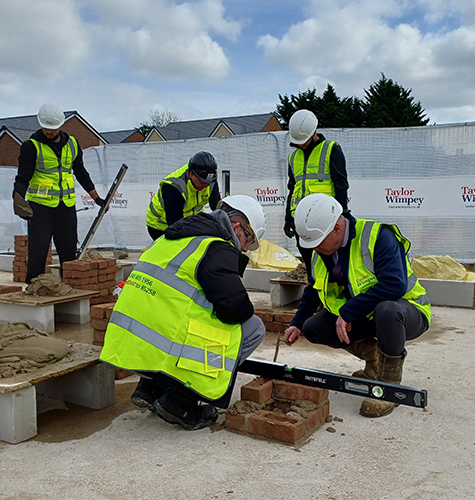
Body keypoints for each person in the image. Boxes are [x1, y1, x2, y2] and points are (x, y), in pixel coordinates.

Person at [100, 195, 267, 430]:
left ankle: (148, 388)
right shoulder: (216, 246)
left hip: (132, 343)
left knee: (183, 311)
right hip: (159, 340)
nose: (245, 248)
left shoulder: (175, 236)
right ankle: (180, 401)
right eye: (247, 240)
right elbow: (235, 310)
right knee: (253, 328)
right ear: (237, 226)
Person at [282, 194, 431, 418]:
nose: (315, 248)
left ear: (337, 228)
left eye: (318, 241)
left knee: (387, 309)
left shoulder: (378, 236)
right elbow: (314, 288)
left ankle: (389, 386)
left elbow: (395, 284)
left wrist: (348, 312)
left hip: (406, 313)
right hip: (366, 316)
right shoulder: (320, 251)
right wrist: (297, 323)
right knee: (314, 327)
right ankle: (374, 363)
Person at [13, 102, 107, 284]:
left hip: (66, 206)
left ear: (61, 125)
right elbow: (23, 177)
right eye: (46, 128)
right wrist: (17, 199)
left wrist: (96, 198)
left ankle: (69, 286)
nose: (49, 132)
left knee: (68, 250)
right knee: (38, 249)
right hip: (40, 207)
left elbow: (81, 172)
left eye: (53, 128)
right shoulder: (31, 146)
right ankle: (34, 287)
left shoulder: (72, 144)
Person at [284, 109, 349, 280]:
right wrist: (288, 217)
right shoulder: (293, 157)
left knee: (329, 262)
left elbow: (341, 184)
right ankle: (315, 294)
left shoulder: (331, 149)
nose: (301, 144)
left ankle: (331, 297)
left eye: (304, 140)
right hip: (300, 218)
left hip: (324, 219)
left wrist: (342, 213)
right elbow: (293, 189)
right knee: (309, 262)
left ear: (314, 132)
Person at [145, 151, 222, 240]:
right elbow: (175, 226)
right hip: (160, 225)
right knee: (176, 250)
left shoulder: (209, 181)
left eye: (208, 183)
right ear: (191, 174)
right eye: (202, 182)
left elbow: (217, 208)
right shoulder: (174, 187)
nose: (206, 186)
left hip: (188, 221)